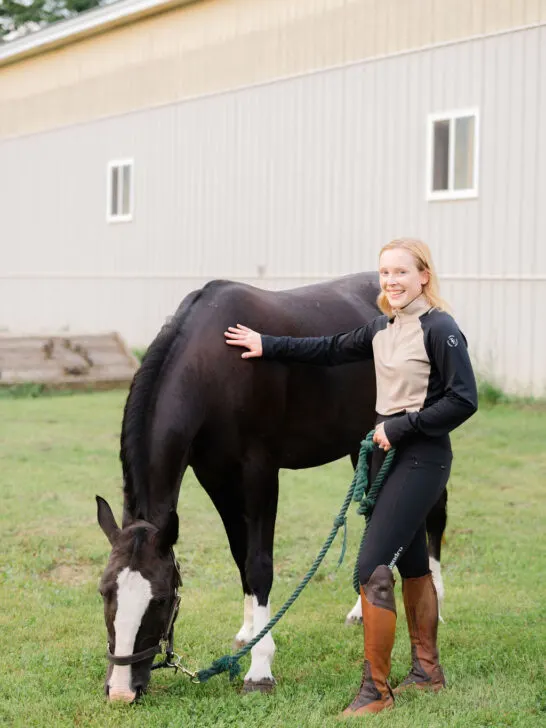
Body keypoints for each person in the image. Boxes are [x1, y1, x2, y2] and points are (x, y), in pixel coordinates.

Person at [224, 238, 478, 717]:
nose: (391, 281)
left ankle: (376, 691)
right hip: (387, 456)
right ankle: (427, 671)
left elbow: (464, 399)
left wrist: (400, 426)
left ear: (423, 275)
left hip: (422, 456)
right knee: (413, 563)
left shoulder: (441, 329)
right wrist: (265, 344)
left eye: (401, 272)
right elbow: (327, 349)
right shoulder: (383, 327)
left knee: (370, 567)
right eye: (385, 273)